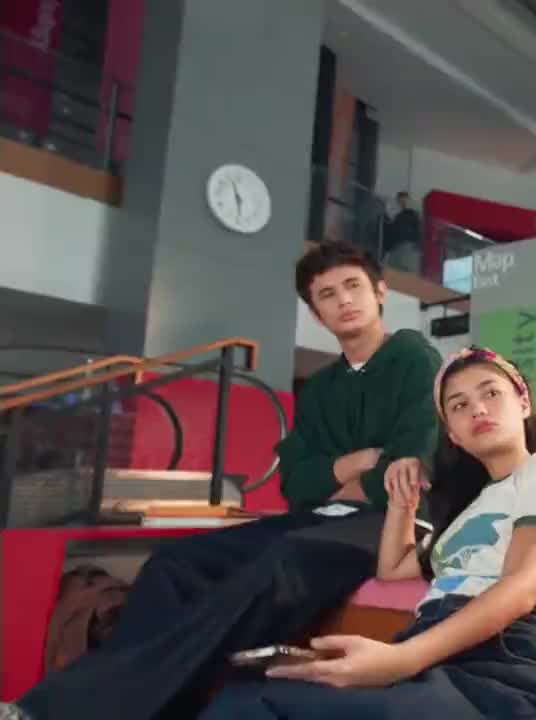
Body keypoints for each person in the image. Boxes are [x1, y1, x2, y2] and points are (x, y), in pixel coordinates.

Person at [0, 244, 443, 720]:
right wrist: (356, 462)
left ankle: (56, 710)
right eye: (328, 295)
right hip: (318, 517)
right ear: (316, 315)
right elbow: (296, 484)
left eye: (353, 286)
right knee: (171, 563)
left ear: (380, 293)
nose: (344, 301)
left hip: (390, 524)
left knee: (277, 565)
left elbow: (401, 477)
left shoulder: (414, 358)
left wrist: (335, 477)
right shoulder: (319, 389)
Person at [200, 346, 536, 719]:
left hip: (504, 659)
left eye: (491, 393)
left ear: (523, 404)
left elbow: (521, 587)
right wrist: (403, 501)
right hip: (435, 652)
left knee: (254, 707)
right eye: (459, 405)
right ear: (452, 434)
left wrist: (403, 659)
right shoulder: (471, 509)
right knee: (244, 698)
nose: (478, 409)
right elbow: (394, 568)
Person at [382, 191, 422, 274]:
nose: (402, 202)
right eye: (400, 200)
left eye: (404, 200)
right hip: (397, 247)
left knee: (405, 270)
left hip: (407, 246)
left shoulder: (412, 214)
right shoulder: (398, 216)